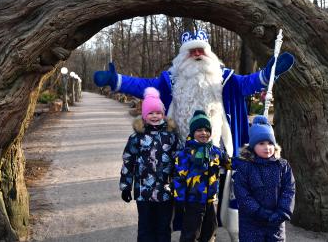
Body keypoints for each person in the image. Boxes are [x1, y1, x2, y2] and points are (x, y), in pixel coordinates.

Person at [94, 29, 295, 158]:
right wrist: (116, 80)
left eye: (201, 50)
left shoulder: (224, 78)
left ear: (209, 54)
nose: (197, 54)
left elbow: (249, 83)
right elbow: (144, 87)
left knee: (215, 196)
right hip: (182, 150)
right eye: (192, 51)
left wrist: (269, 74)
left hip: (217, 150)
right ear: (183, 56)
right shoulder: (171, 80)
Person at [119, 87, 180, 242]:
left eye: (158, 112)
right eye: (151, 113)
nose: (155, 116)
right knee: (145, 228)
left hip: (165, 192)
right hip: (144, 193)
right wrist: (126, 186)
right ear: (145, 115)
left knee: (163, 227)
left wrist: (178, 185)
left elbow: (178, 162)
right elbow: (128, 162)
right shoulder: (136, 138)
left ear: (163, 114)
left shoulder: (171, 137)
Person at [233, 115, 296, 242]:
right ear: (252, 146)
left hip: (276, 222)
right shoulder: (245, 166)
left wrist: (282, 212)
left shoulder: (282, 165)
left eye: (270, 143)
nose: (267, 147)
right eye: (261, 143)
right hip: (251, 223)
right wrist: (259, 212)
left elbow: (289, 190)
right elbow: (242, 193)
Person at [173, 110, 231, 242]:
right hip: (192, 200)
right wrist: (179, 199)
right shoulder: (185, 154)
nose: (203, 133)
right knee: (191, 233)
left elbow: (230, 163)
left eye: (206, 130)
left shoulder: (215, 151)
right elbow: (179, 178)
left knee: (210, 231)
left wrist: (248, 157)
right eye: (199, 130)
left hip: (211, 201)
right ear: (193, 132)